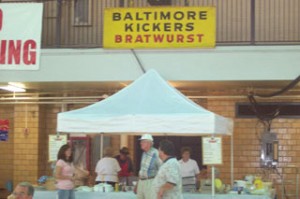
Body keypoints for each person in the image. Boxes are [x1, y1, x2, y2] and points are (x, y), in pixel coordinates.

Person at [135, 134, 161, 199]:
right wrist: (137, 185)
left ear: (149, 143)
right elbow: (142, 170)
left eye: (143, 141)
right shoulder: (144, 153)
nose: (140, 143)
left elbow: (161, 170)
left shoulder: (156, 153)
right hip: (142, 182)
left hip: (151, 182)